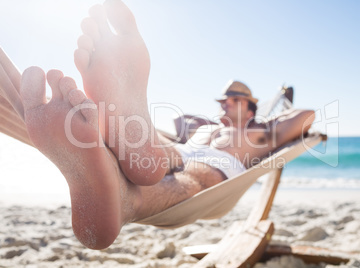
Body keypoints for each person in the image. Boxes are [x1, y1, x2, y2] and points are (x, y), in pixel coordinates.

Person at [19, 0, 315, 250]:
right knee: (159, 152)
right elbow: (177, 146)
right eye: (223, 99)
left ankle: (126, 194)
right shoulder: (205, 126)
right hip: (175, 151)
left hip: (217, 169)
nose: (225, 103)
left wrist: (276, 116)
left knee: (192, 178)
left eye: (234, 99)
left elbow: (306, 117)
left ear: (251, 105)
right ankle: (119, 137)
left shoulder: (261, 133)